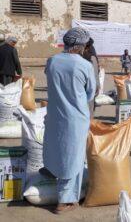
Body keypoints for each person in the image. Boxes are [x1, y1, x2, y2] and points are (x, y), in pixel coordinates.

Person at [42, 27, 96, 214]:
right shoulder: (84, 65)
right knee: (73, 157)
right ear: (80, 46)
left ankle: (51, 170)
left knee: (57, 147)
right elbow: (90, 93)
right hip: (75, 118)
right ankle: (65, 201)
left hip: (55, 114)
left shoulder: (52, 61)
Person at [82, 38, 100, 118]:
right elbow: (95, 74)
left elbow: (95, 73)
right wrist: (97, 87)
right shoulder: (91, 57)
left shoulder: (90, 58)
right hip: (87, 89)